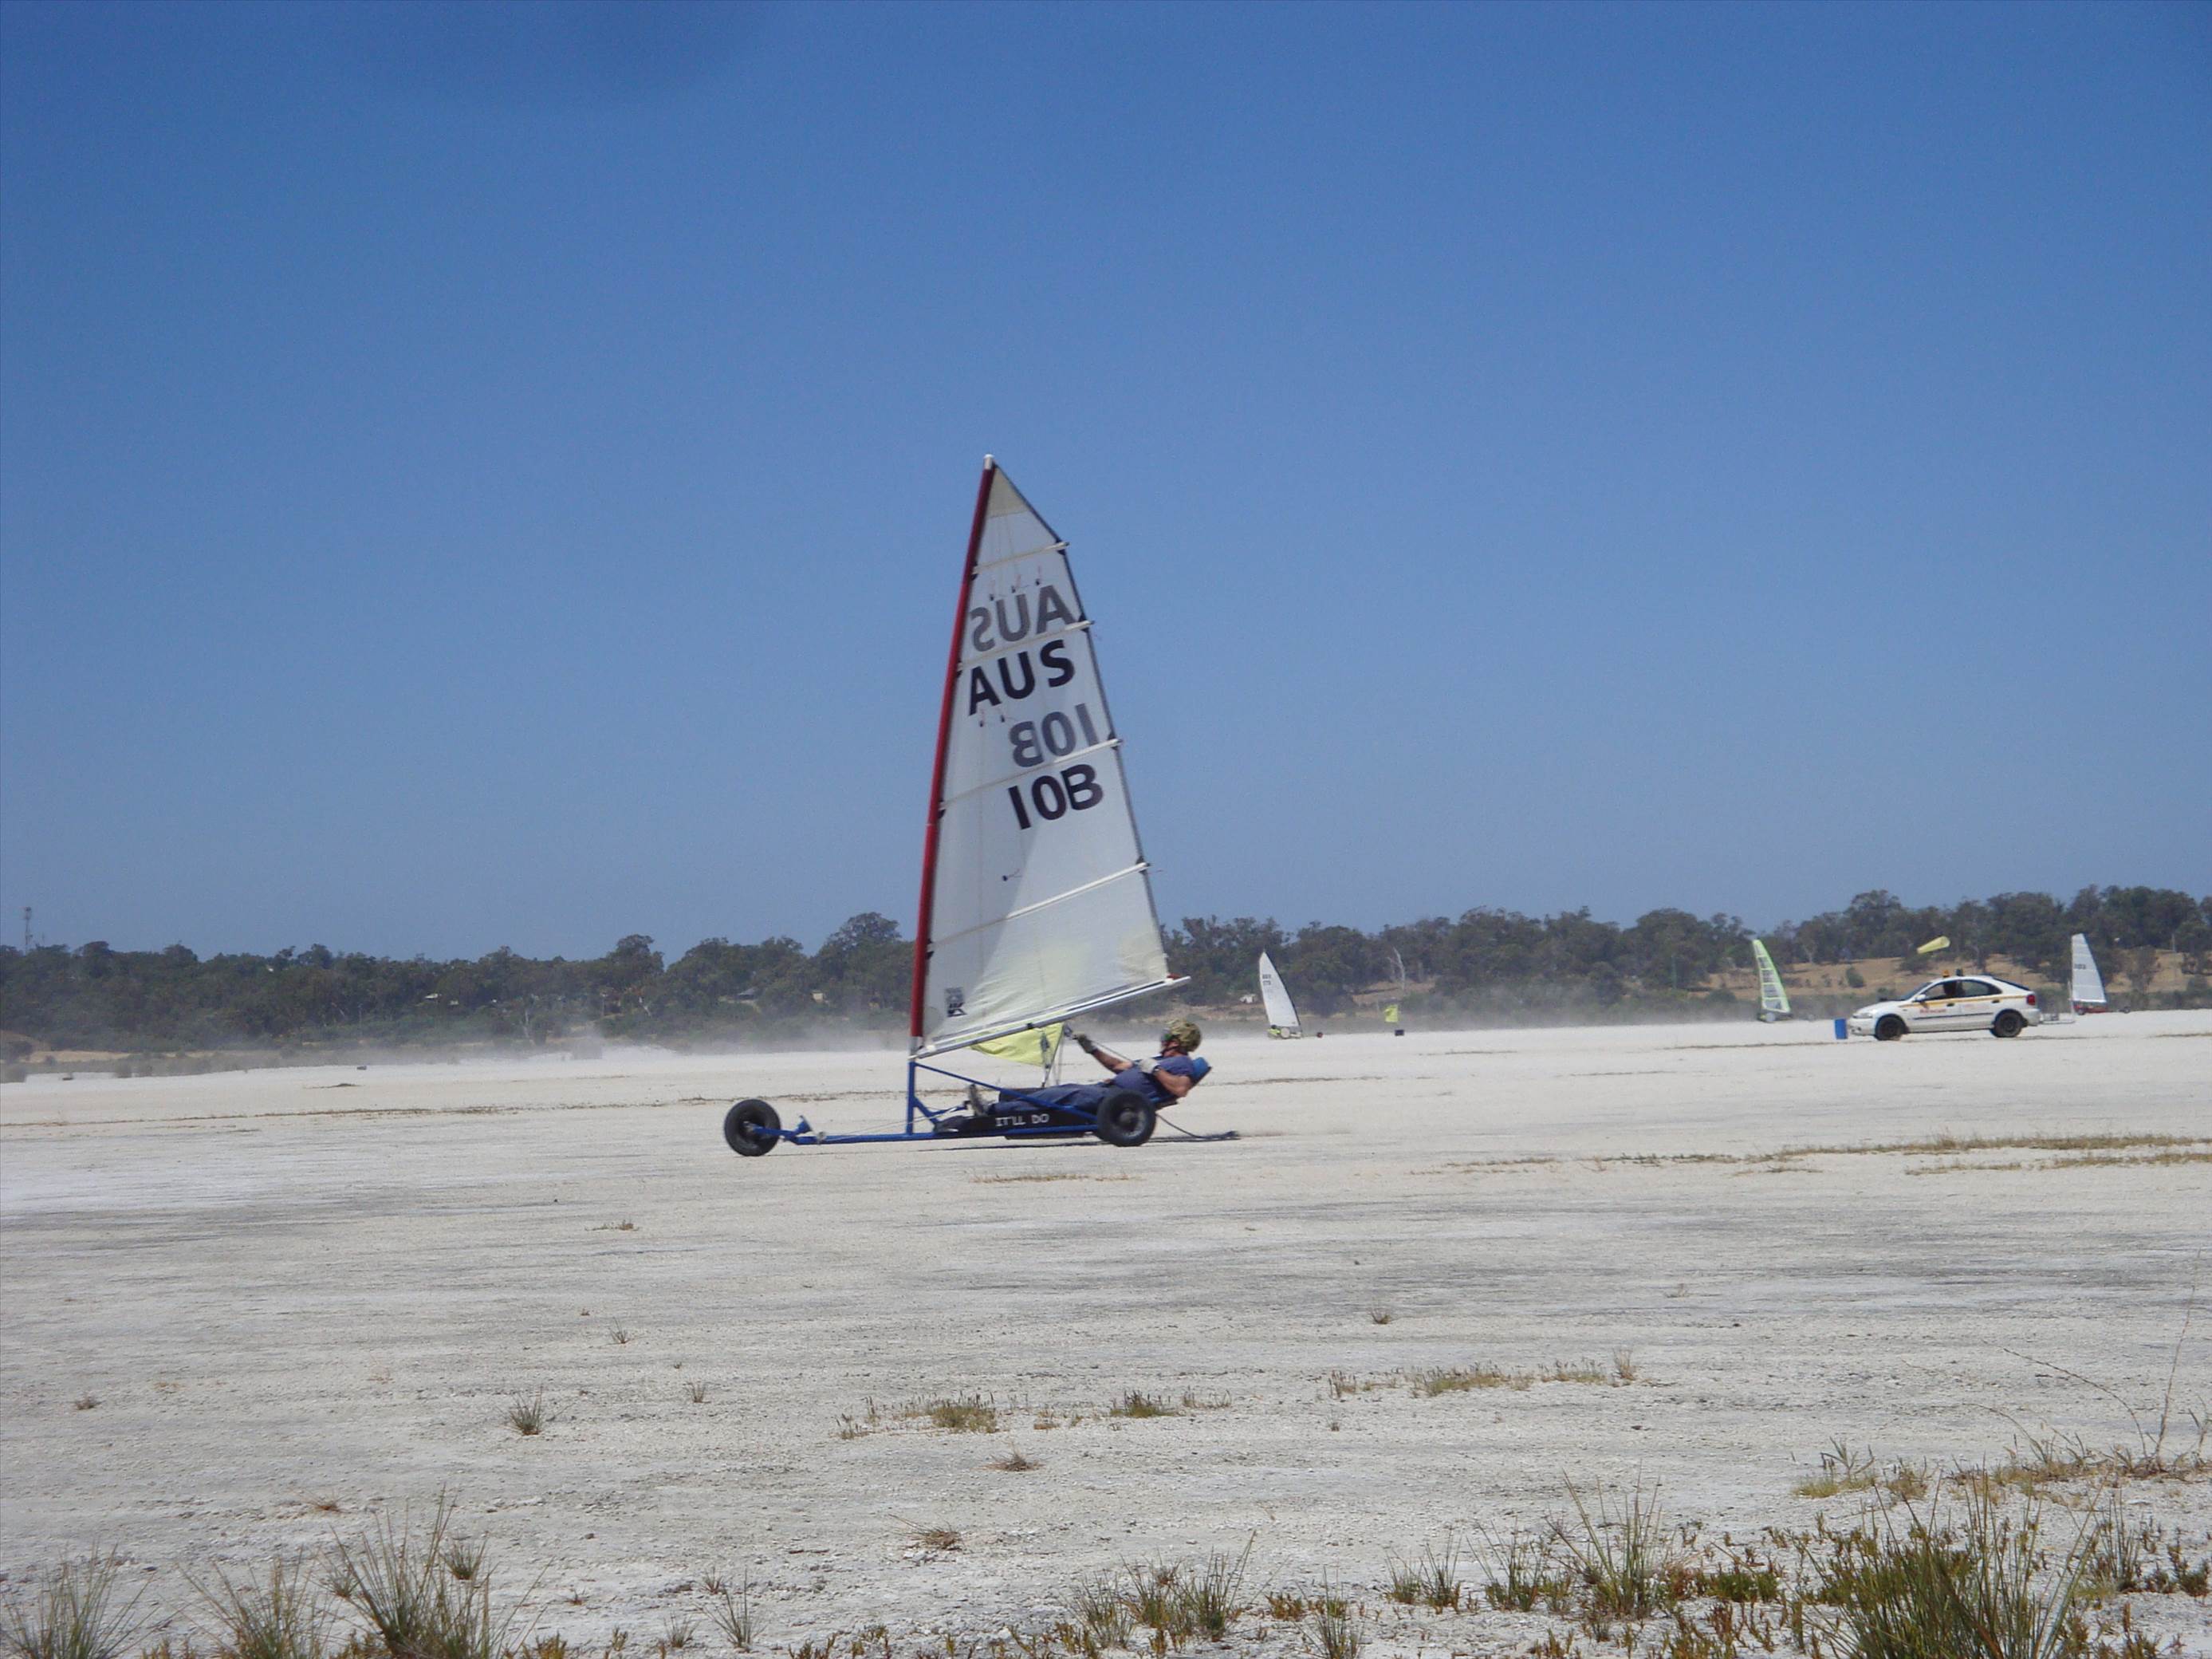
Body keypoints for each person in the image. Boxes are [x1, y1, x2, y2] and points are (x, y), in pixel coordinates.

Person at [950, 1019, 1211, 1129]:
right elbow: (1119, 1066)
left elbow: (1180, 1089)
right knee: (1057, 1093)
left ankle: (991, 1111)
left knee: (1058, 1097)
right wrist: (1091, 1049)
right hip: (1107, 1092)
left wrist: (1154, 1069)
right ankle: (999, 1106)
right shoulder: (1160, 1060)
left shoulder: (1182, 1064)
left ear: (1177, 1041)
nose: (1162, 1040)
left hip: (1114, 1099)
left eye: (1167, 1036)